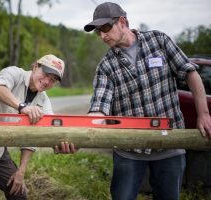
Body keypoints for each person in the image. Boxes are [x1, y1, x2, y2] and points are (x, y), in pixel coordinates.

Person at [84, 2, 211, 200]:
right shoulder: (106, 66)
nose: (102, 36)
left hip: (170, 144)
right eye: (98, 32)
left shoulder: (159, 41)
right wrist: (81, 134)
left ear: (123, 22)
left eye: (105, 28)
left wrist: (203, 114)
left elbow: (190, 73)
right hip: (129, 151)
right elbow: (99, 108)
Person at [0, 54, 76, 200]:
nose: (47, 81)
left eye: (53, 80)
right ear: (35, 67)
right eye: (46, 74)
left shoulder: (42, 100)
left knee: (18, 193)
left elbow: (46, 131)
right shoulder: (14, 73)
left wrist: (61, 144)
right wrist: (22, 106)